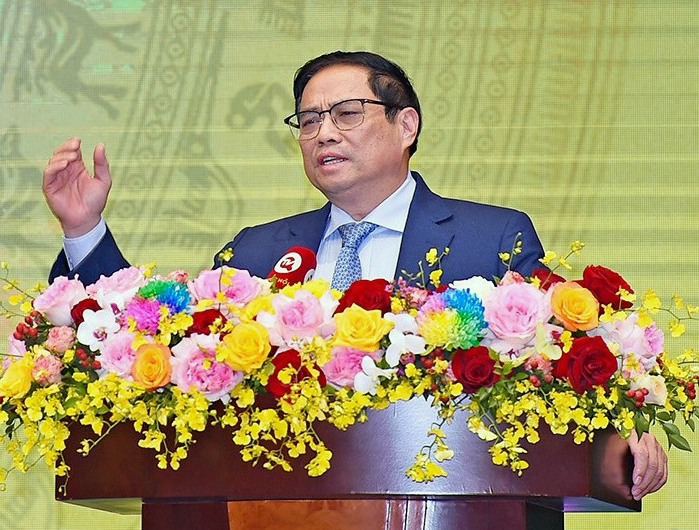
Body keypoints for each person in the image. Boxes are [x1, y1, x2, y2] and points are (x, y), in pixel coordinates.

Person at [41, 51, 666, 499]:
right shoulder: (257, 250)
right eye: (308, 120)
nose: (323, 133)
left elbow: (558, 356)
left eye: (345, 113)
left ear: (406, 125)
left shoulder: (492, 238)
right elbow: (151, 341)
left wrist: (626, 428)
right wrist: (84, 230)